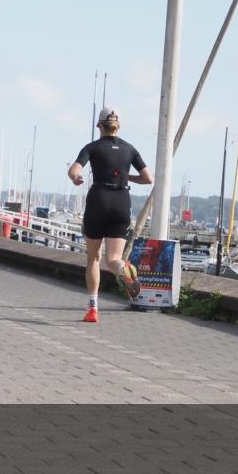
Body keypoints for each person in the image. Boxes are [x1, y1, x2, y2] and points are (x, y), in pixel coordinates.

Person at [67, 107, 153, 323]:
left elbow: (73, 170)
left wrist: (76, 178)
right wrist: (126, 177)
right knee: (114, 259)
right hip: (121, 201)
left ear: (99, 125)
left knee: (94, 258)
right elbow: (148, 178)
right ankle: (125, 268)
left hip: (99, 200)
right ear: (118, 126)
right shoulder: (129, 149)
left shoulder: (92, 147)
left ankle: (93, 309)